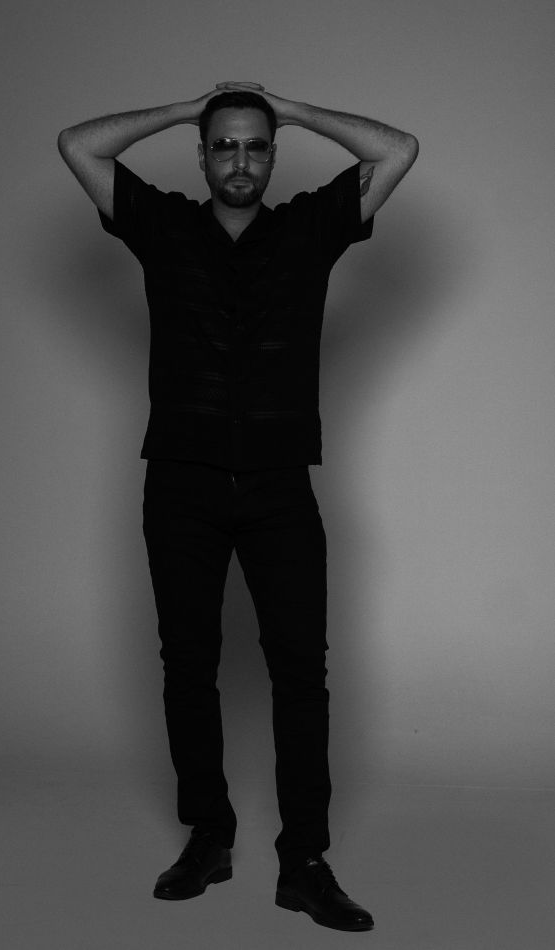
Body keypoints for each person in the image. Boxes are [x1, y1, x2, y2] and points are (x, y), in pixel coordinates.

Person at [58, 81, 418, 933]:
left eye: (256, 144)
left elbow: (396, 150)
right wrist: (187, 107)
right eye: (224, 144)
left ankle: (305, 862)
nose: (240, 159)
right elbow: (78, 144)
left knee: (301, 674)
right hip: (179, 483)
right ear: (202, 154)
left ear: (273, 154)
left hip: (278, 485)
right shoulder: (162, 225)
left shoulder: (309, 228)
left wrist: (292, 109)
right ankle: (208, 837)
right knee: (187, 666)